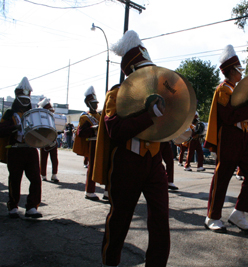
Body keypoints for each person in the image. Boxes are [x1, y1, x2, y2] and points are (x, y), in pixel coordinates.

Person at [92, 30, 170, 267]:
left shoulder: (156, 95)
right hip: (127, 161)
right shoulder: (115, 93)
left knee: (160, 221)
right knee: (120, 219)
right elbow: (114, 129)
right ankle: (110, 262)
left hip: (154, 163)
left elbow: (165, 128)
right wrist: (148, 116)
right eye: (143, 69)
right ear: (131, 72)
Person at [203, 44, 248, 234]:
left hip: (243, 137)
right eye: (239, 70)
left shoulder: (237, 89)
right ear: (231, 71)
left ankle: (239, 213)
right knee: (222, 177)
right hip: (229, 137)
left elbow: (243, 114)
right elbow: (228, 116)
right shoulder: (223, 90)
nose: (241, 73)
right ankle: (212, 216)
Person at [0, 77, 42, 218]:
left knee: (36, 178)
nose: (24, 102)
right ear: (17, 99)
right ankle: (13, 206)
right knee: (15, 179)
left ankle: (32, 207)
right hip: (15, 149)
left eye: (26, 99)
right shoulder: (9, 114)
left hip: (31, 149)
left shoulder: (34, 115)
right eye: (22, 99)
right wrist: (14, 127)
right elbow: (1, 131)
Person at [72, 87, 101, 201]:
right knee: (92, 167)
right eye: (93, 103)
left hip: (100, 143)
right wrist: (93, 128)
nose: (96, 105)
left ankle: (107, 192)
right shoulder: (85, 117)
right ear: (88, 104)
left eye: (96, 103)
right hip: (92, 144)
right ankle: (89, 191)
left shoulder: (99, 116)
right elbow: (81, 132)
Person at [37, 98, 59, 183]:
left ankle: (54, 174)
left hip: (53, 139)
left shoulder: (52, 117)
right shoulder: (41, 118)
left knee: (54, 158)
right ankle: (43, 175)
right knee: (43, 158)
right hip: (44, 140)